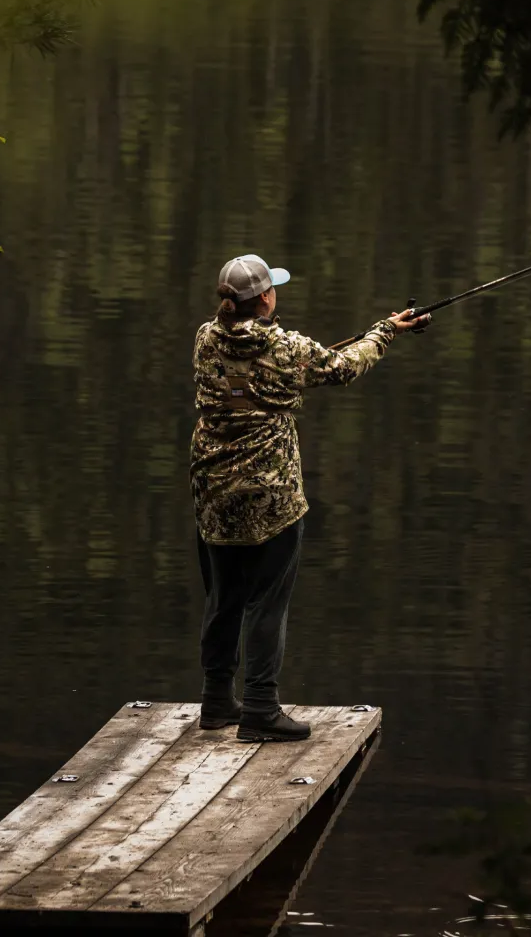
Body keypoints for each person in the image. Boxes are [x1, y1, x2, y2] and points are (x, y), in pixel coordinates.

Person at [190, 253, 430, 743]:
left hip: (213, 493)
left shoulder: (205, 338)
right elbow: (341, 369)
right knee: (266, 603)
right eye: (273, 288)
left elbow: (251, 373)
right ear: (264, 299)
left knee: (224, 597)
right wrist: (386, 331)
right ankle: (259, 707)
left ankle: (217, 701)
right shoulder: (287, 348)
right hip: (271, 499)